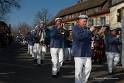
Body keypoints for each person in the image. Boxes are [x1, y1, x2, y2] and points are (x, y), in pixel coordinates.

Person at [72, 15, 95, 83]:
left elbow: (88, 38)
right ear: (79, 21)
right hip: (79, 52)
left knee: (88, 69)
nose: (85, 23)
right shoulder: (75, 28)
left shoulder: (86, 29)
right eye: (84, 21)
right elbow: (79, 36)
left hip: (87, 52)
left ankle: (83, 81)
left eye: (86, 21)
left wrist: (93, 38)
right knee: (78, 71)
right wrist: (89, 31)